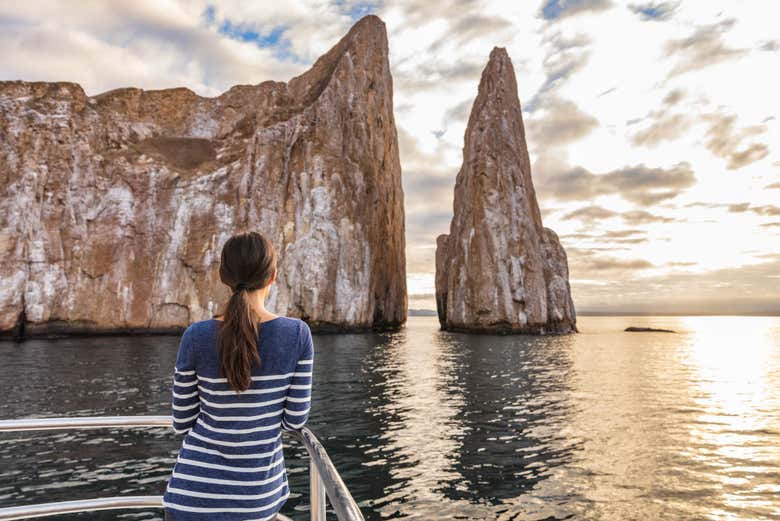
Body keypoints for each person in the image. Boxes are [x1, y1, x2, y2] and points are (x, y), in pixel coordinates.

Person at [162, 231, 314, 521]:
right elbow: (294, 420)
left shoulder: (195, 336)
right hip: (253, 502)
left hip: (189, 500)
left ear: (223, 276)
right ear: (272, 276)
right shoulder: (297, 335)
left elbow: (182, 421)